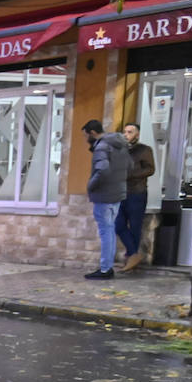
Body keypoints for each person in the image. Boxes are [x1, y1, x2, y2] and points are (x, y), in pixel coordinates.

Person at [81, 118, 129, 280]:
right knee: (110, 230)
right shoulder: (120, 145)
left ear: (93, 133)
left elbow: (102, 170)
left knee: (106, 231)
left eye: (86, 135)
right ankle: (106, 267)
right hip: (117, 194)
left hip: (104, 195)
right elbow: (130, 166)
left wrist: (90, 185)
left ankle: (105, 269)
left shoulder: (102, 147)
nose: (85, 139)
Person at [115, 122, 155, 272]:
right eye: (125, 132)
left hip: (137, 192)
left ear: (137, 134)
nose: (126, 135)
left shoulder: (144, 150)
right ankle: (133, 254)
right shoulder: (120, 150)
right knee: (118, 224)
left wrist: (130, 175)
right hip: (121, 192)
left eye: (130, 132)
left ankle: (131, 258)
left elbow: (150, 169)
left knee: (135, 225)